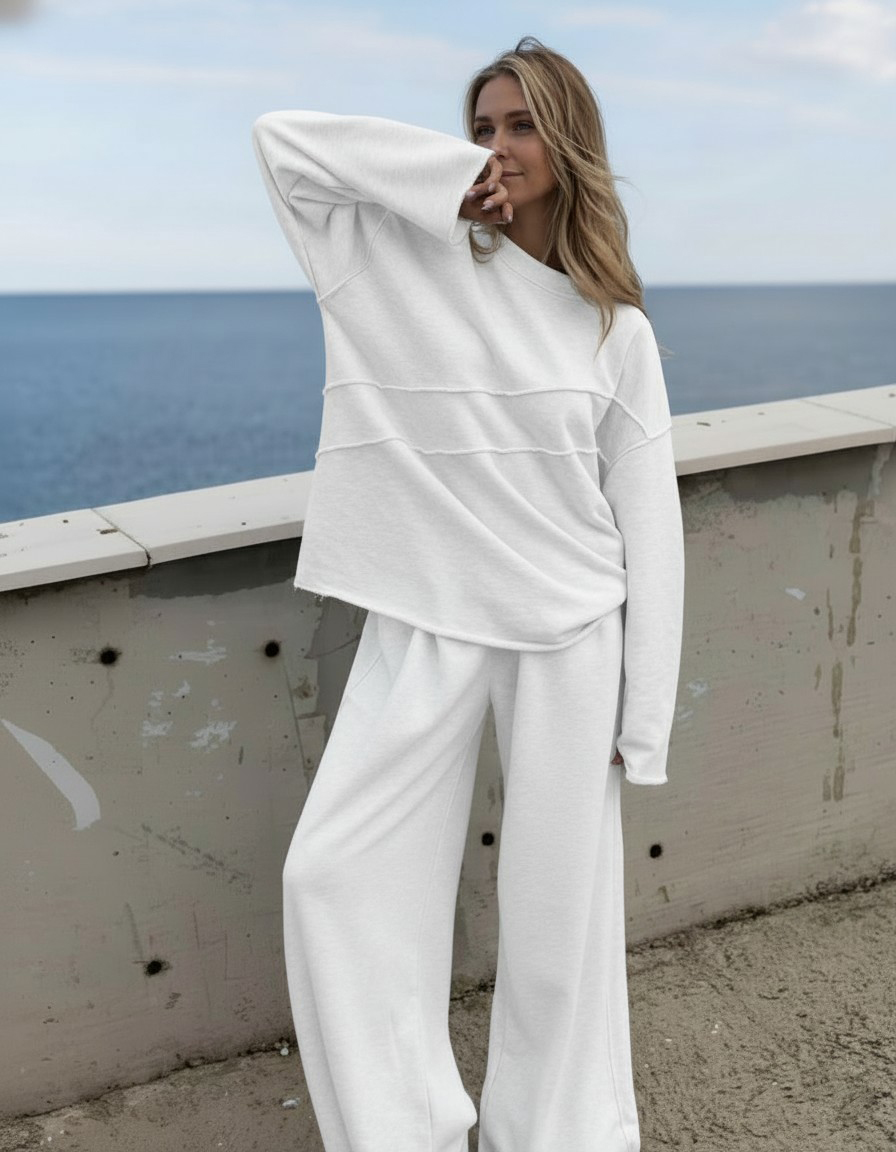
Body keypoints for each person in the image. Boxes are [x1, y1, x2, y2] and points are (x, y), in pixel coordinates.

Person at [252, 34, 684, 1152]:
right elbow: (283, 145)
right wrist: (442, 183)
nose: (497, 146)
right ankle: (402, 1131)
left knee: (557, 925)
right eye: (482, 126)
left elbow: (650, 526)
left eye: (521, 125)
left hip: (568, 630)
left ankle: (555, 1133)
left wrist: (642, 718)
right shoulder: (395, 259)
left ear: (569, 142)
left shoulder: (615, 329)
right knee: (331, 878)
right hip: (427, 617)